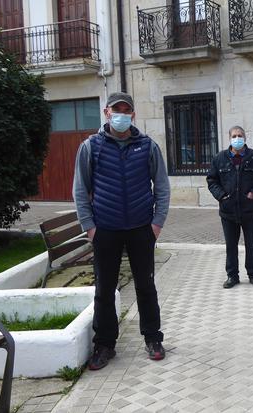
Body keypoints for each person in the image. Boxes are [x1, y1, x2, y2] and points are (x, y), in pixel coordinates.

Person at [73, 92, 171, 370]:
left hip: (142, 228)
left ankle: (153, 338)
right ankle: (104, 345)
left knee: (146, 286)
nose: (121, 114)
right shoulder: (91, 146)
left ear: (133, 115)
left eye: (126, 110)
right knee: (104, 289)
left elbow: (162, 187)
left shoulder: (147, 146)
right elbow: (80, 190)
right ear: (106, 113)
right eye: (116, 110)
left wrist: (156, 224)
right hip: (105, 229)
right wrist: (90, 228)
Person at [207, 126, 253, 289]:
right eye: (234, 136)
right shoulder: (219, 158)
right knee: (230, 245)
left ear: (245, 138)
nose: (237, 139)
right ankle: (232, 276)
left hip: (249, 210)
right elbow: (212, 180)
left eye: (240, 135)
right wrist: (221, 195)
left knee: (251, 244)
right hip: (228, 211)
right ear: (229, 138)